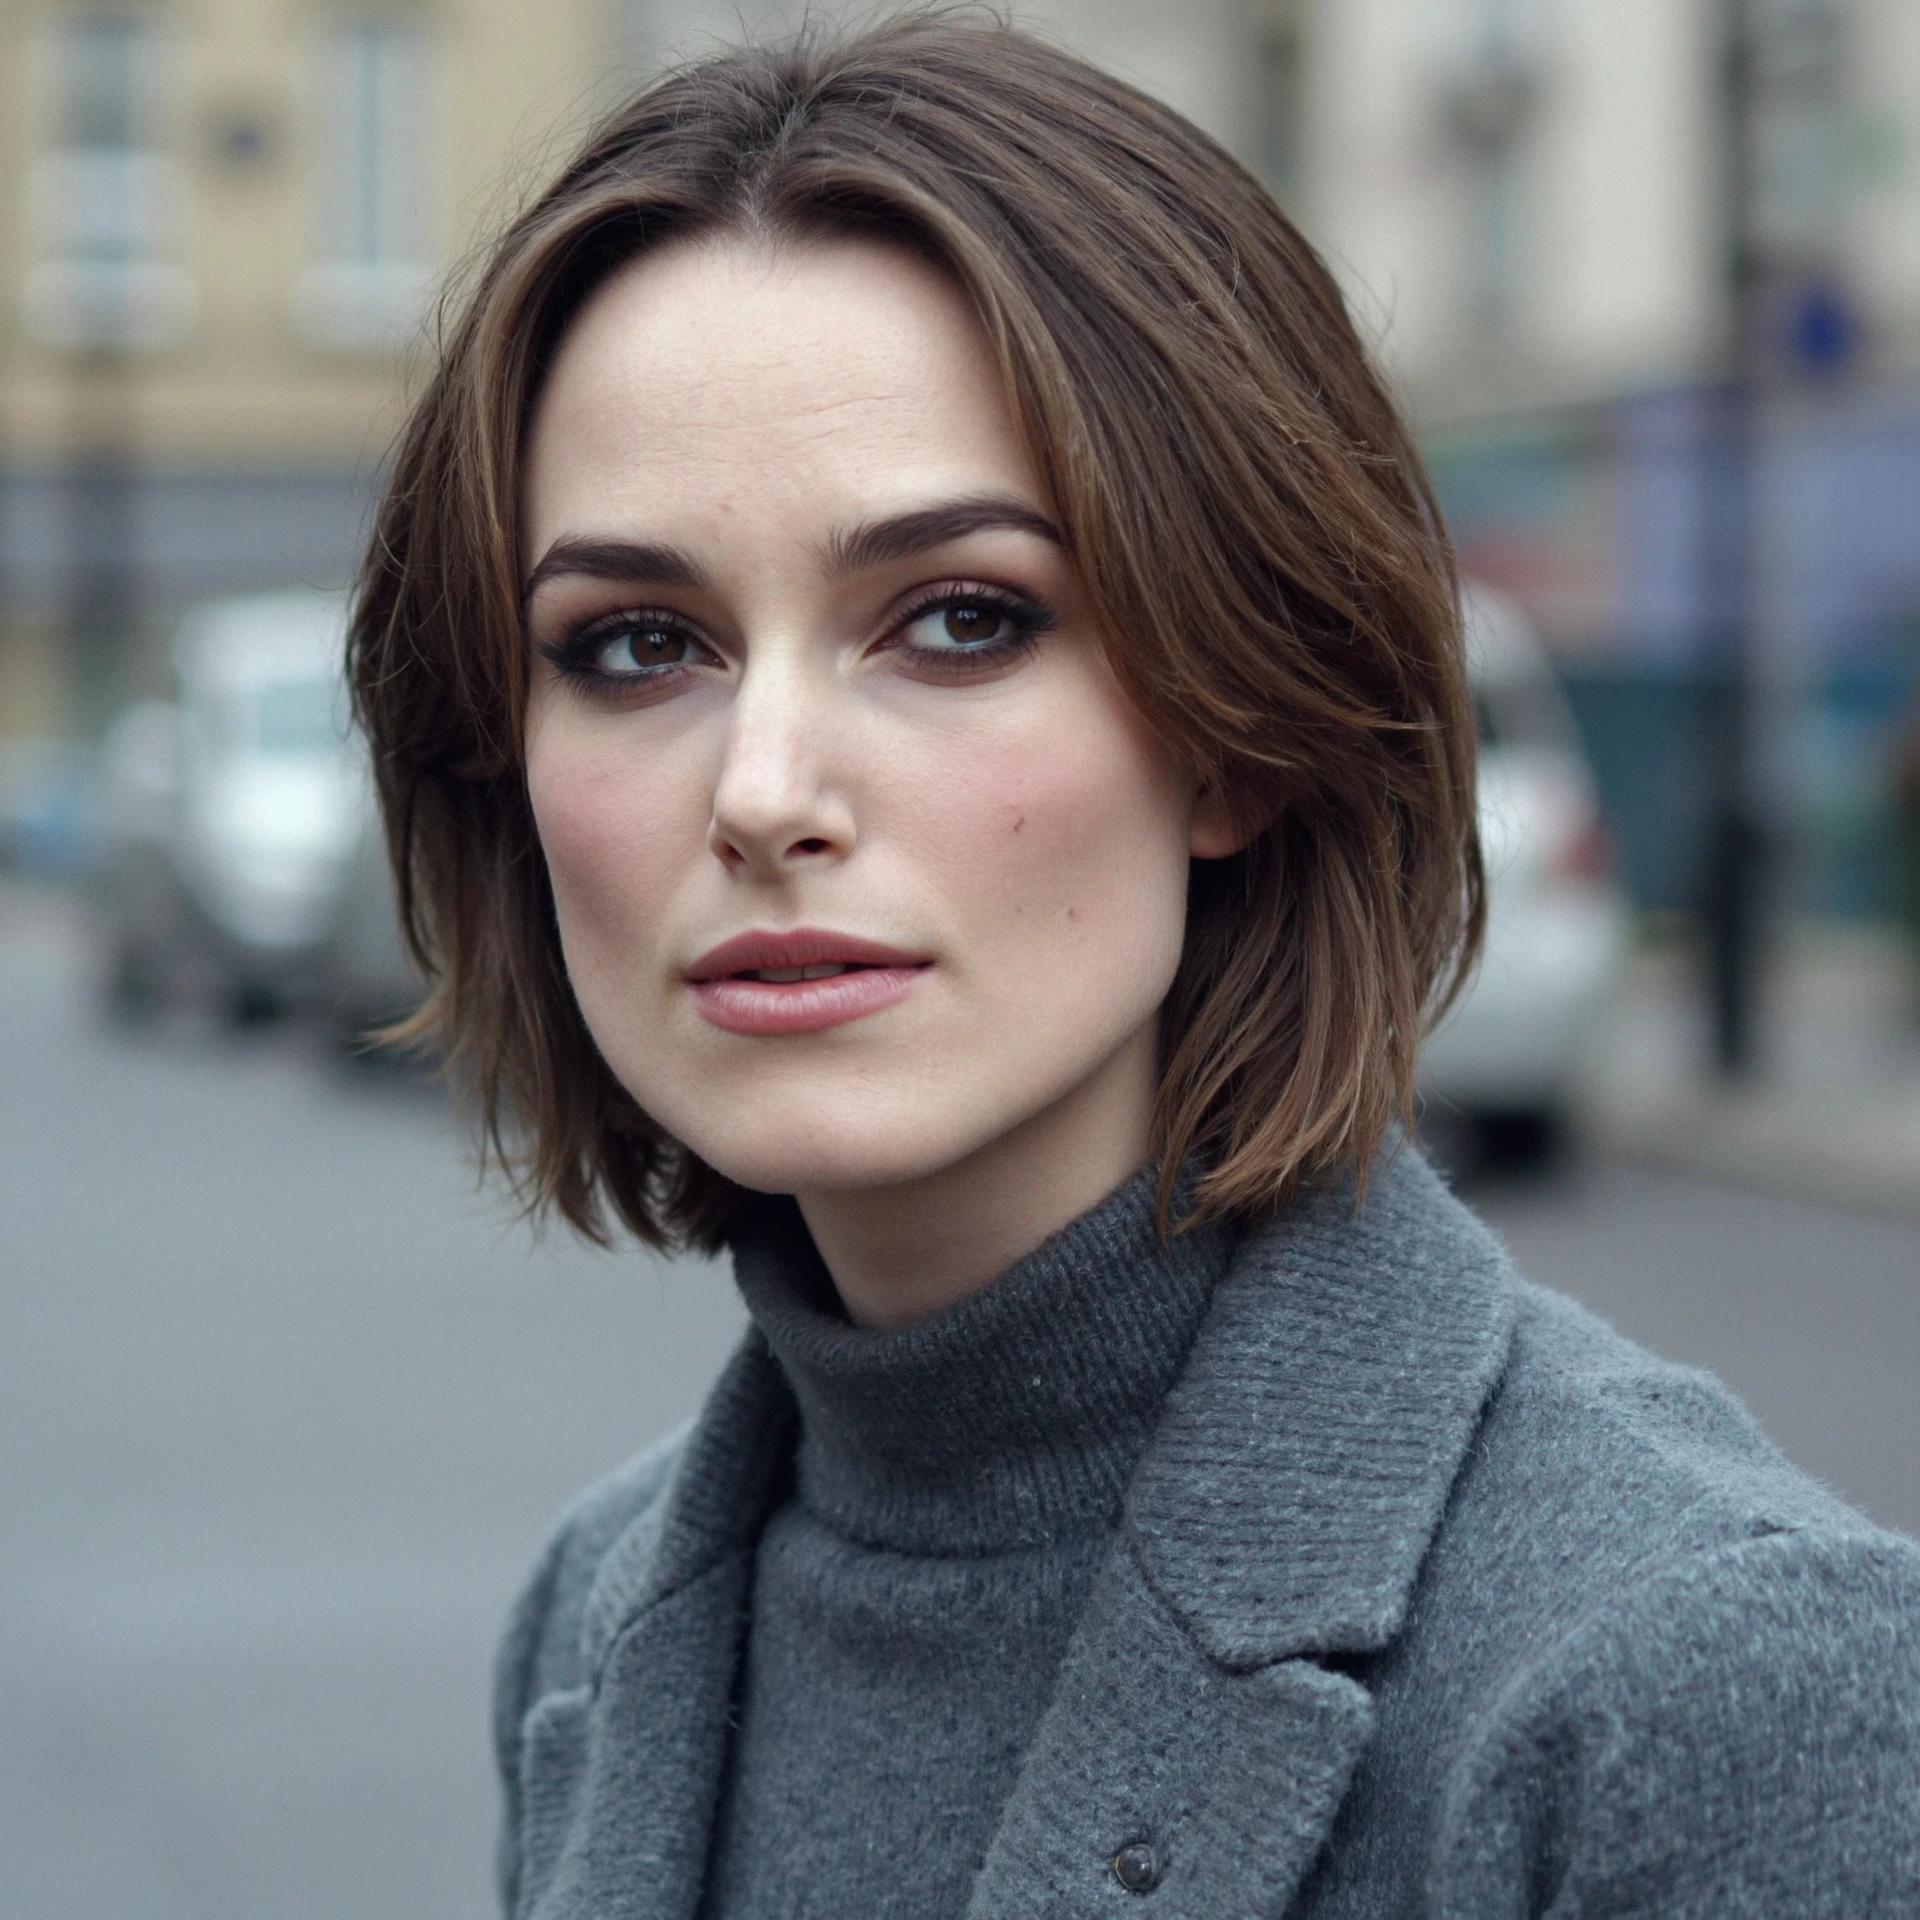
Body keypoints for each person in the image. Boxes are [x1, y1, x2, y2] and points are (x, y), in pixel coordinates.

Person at [349, 16, 1920, 1916]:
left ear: (1238, 729)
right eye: (635, 646)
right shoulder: (596, 1627)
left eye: (957, 618)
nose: (764, 795)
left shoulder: (1697, 1682)